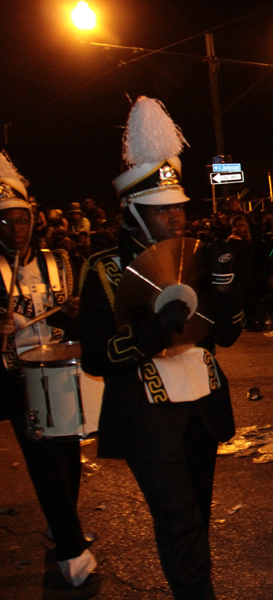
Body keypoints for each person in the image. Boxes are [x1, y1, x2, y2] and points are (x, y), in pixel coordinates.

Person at [79, 97, 243, 600]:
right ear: (133, 214)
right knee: (178, 523)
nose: (176, 219)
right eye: (161, 211)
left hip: (203, 411)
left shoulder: (193, 256)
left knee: (196, 518)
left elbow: (227, 334)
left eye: (178, 209)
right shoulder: (104, 272)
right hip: (148, 419)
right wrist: (152, 333)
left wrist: (227, 291)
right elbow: (96, 358)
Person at [0, 151, 96, 588]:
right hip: (15, 379)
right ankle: (73, 552)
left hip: (58, 372)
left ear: (32, 220)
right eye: (5, 222)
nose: (15, 230)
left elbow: (69, 320)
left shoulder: (57, 261)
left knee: (67, 458)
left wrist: (76, 313)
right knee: (42, 463)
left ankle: (64, 529)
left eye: (20, 220)